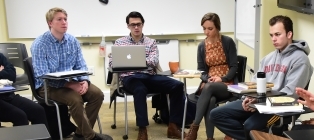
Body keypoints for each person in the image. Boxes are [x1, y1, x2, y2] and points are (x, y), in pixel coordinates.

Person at [210, 15, 314, 140]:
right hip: (260, 103)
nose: (273, 39)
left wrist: (260, 101)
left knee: (250, 126)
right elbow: (254, 83)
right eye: (271, 35)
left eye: (277, 34)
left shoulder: (301, 60)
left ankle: (252, 136)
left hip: (280, 109)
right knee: (216, 114)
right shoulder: (268, 58)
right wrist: (247, 98)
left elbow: (291, 93)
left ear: (289, 34)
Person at [31, 7, 112, 140]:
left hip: (71, 82)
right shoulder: (40, 44)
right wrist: (69, 85)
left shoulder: (72, 41)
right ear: (50, 23)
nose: (64, 22)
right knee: (75, 99)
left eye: (65, 19)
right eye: (59, 19)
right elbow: (42, 74)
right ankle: (90, 137)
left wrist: (85, 81)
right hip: (47, 87)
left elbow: (81, 64)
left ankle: (80, 134)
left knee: (97, 94)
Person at [108, 11, 186, 140]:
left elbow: (154, 61)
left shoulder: (151, 42)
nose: (136, 27)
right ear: (128, 26)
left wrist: (134, 62)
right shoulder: (120, 42)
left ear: (143, 24)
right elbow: (112, 62)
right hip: (130, 78)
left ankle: (173, 126)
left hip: (149, 76)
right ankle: (142, 129)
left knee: (177, 85)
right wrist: (142, 62)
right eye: (133, 25)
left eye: (138, 24)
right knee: (140, 89)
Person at [184, 13, 238, 140]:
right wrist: (207, 79)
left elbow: (234, 67)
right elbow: (201, 70)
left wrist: (222, 78)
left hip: (226, 83)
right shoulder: (202, 46)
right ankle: (210, 138)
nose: (206, 32)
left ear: (217, 27)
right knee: (211, 99)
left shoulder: (227, 41)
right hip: (210, 83)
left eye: (210, 29)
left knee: (208, 88)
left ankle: (194, 126)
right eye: (204, 28)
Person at [0, 53, 49, 127]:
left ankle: (42, 138)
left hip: (8, 95)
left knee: (38, 110)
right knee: (20, 116)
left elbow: (11, 75)